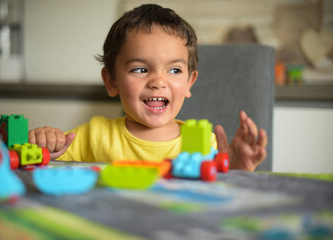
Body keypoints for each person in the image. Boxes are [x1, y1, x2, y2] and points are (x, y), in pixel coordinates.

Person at [29, 4, 267, 171]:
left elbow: (225, 197)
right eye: (141, 69)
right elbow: (40, 168)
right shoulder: (93, 136)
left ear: (189, 82)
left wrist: (235, 168)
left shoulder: (208, 145)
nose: (158, 81)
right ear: (111, 81)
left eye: (174, 70)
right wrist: (44, 147)